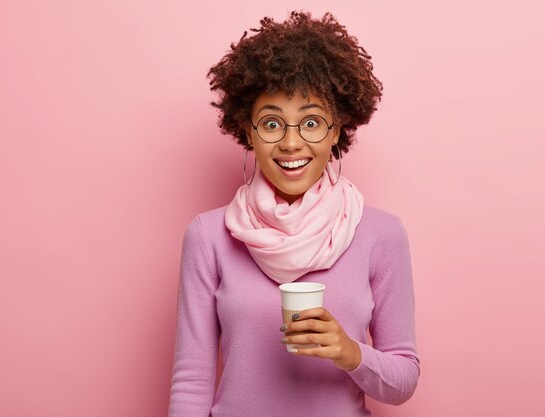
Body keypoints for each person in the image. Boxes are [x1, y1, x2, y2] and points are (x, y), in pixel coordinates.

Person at [167, 10, 420, 417]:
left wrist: (350, 352)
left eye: (312, 123)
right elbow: (191, 381)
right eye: (271, 123)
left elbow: (403, 380)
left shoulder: (381, 235)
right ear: (248, 131)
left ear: (337, 131)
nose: (290, 143)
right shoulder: (208, 235)